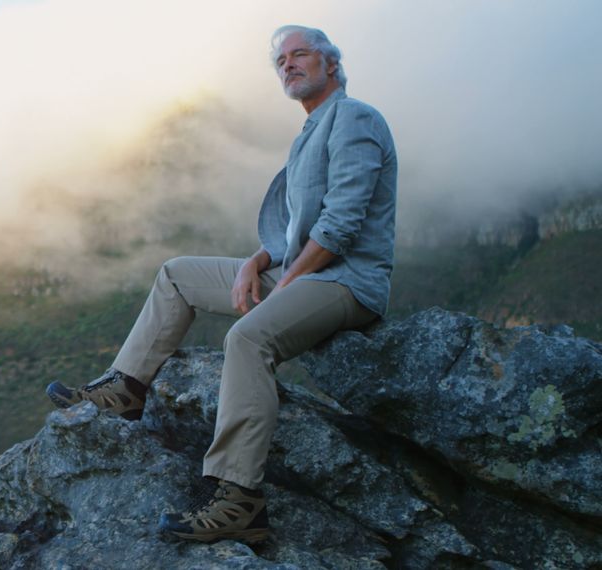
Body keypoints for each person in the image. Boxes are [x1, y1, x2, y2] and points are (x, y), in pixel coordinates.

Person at [46, 25, 397, 544]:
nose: (289, 65)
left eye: (300, 54)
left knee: (249, 337)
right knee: (177, 274)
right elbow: (292, 231)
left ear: (331, 64)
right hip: (304, 270)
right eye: (281, 61)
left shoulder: (356, 119)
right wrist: (257, 260)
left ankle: (239, 499)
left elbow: (340, 228)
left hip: (347, 282)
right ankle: (126, 389)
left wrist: (281, 289)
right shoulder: (309, 133)